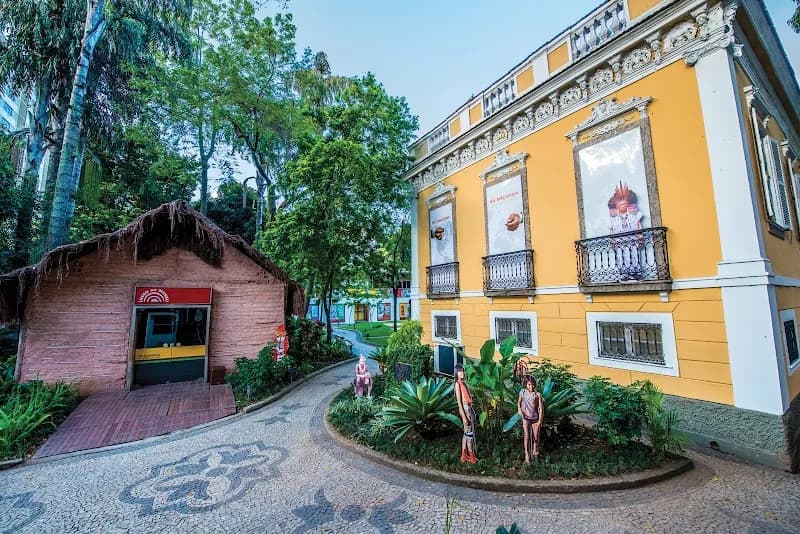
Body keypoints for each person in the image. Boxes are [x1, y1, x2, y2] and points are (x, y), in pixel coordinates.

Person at [454, 364, 478, 464]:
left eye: (463, 371)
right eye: (459, 371)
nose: (462, 373)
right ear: (456, 373)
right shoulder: (458, 384)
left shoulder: (464, 383)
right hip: (465, 410)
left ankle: (464, 455)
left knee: (466, 433)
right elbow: (459, 402)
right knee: (469, 434)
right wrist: (464, 417)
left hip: (469, 408)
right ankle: (471, 456)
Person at [517, 375, 543, 463]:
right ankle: (527, 454)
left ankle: (535, 451)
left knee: (536, 437)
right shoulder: (522, 392)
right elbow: (519, 402)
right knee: (527, 436)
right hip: (526, 418)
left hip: (535, 418)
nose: (531, 387)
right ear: (525, 385)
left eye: (532, 385)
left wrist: (539, 421)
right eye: (529, 385)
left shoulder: (537, 395)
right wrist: (519, 410)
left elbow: (540, 408)